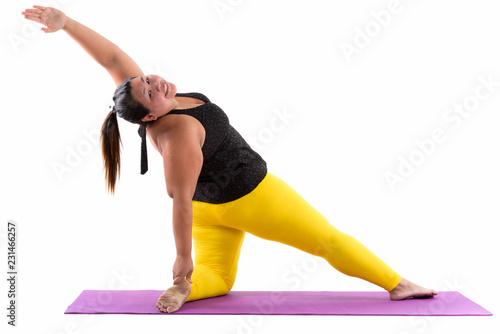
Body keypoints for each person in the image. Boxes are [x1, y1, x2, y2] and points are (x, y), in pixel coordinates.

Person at [22, 5, 438, 313]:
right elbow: (177, 198)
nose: (156, 83)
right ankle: (396, 284)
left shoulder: (138, 99)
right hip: (250, 196)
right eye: (152, 91)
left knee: (219, 279)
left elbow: (112, 59)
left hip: (210, 211)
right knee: (327, 239)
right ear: (149, 116)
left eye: (148, 79)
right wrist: (182, 257)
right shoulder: (180, 132)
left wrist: (67, 25)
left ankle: (188, 288)